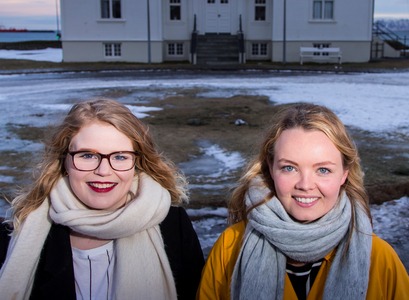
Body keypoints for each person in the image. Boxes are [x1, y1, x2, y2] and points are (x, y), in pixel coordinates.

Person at [196, 103, 409, 300]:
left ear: (344, 173)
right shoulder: (230, 248)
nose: (305, 185)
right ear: (271, 168)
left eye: (323, 170)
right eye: (289, 167)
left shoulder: (379, 259)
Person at [0, 98, 205, 300]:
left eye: (120, 156)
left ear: (137, 163)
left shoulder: (172, 224)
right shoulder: (19, 232)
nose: (103, 171)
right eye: (87, 155)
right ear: (64, 161)